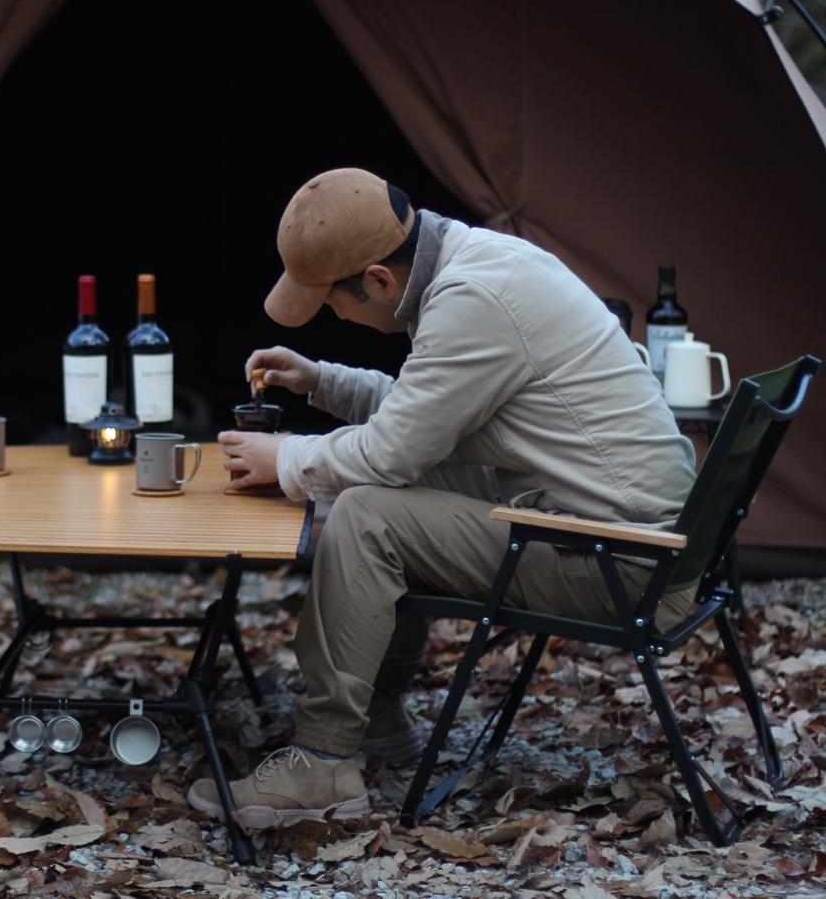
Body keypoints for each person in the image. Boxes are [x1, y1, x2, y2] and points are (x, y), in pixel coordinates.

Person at [187, 167, 696, 828]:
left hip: (622, 563)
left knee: (368, 513)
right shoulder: (478, 260)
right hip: (619, 533)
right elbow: (422, 415)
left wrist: (283, 457)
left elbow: (390, 451)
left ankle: (322, 763)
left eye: (329, 303)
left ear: (378, 281)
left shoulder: (474, 297)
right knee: (380, 492)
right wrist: (320, 381)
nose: (330, 316)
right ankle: (378, 719)